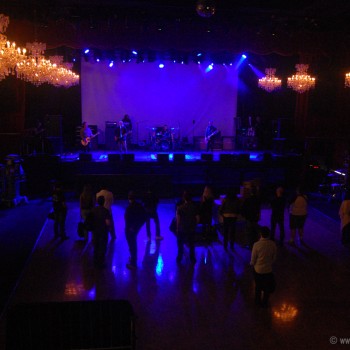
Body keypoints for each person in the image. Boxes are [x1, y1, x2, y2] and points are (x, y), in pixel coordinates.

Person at [250, 226, 277, 308]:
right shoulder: (272, 244)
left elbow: (253, 259)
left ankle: (257, 302)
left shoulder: (256, 245)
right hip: (268, 270)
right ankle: (265, 302)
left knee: (258, 287)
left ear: (260, 234)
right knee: (267, 288)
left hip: (258, 270)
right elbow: (274, 258)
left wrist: (252, 264)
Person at [176, 190, 200, 264]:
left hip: (182, 228)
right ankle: (192, 258)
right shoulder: (194, 207)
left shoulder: (180, 208)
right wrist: (194, 224)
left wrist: (177, 228)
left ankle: (179, 258)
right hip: (191, 228)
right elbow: (198, 218)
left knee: (180, 244)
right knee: (192, 244)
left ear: (184, 198)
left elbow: (178, 220)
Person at [124, 191, 146, 269]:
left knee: (132, 245)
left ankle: (133, 263)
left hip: (130, 229)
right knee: (133, 244)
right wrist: (138, 227)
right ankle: (133, 259)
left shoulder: (129, 208)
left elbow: (127, 219)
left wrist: (131, 227)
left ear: (129, 198)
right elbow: (144, 217)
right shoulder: (139, 206)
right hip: (135, 228)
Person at [90, 195, 111, 269]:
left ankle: (95, 262)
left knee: (96, 247)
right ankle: (101, 262)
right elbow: (108, 223)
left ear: (97, 202)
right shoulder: (106, 211)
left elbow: (90, 220)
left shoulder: (93, 210)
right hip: (103, 231)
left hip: (95, 231)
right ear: (104, 202)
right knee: (103, 247)